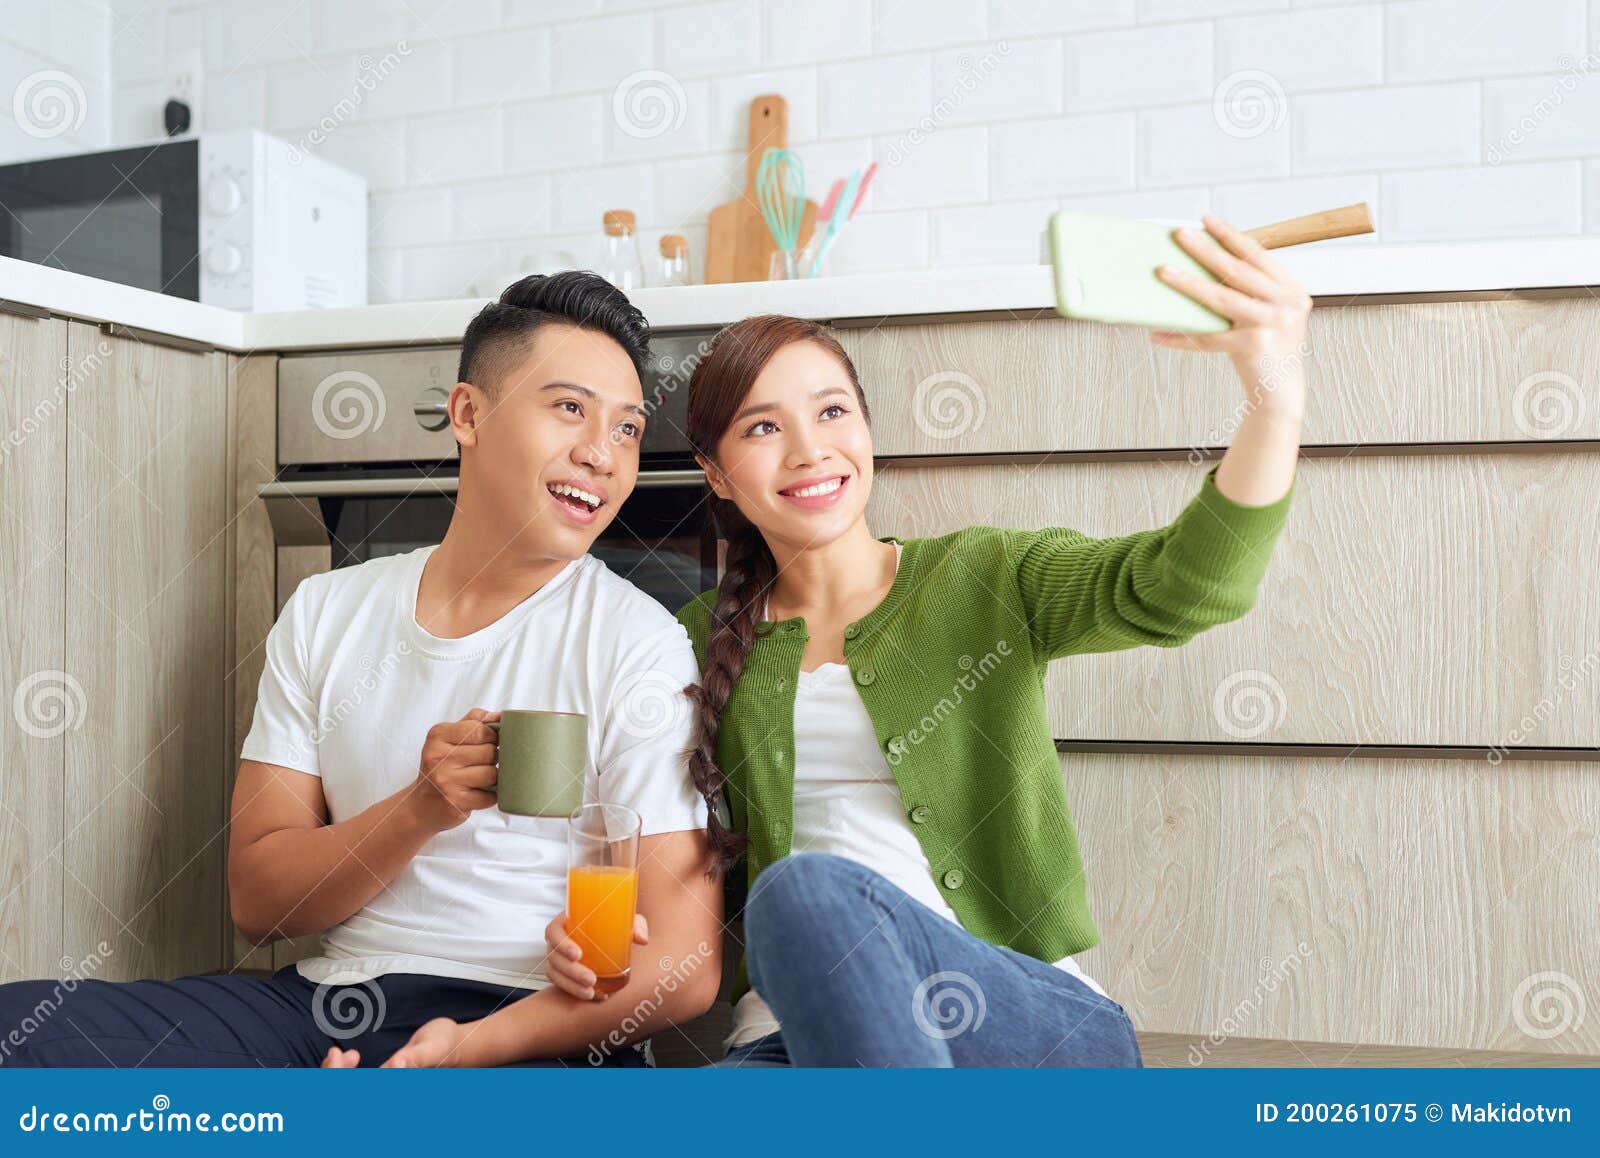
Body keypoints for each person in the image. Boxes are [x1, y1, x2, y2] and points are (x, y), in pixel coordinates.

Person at [541, 215, 1308, 1066]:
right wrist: (593, 938)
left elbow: (1187, 586)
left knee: (804, 893)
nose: (809, 449)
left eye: (832, 411)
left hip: (1028, 1029)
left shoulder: (983, 577)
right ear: (718, 473)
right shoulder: (686, 644)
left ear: (866, 432)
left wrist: (1274, 391)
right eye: (762, 428)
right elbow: (629, 835)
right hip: (796, 1041)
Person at [0, 271, 721, 1068]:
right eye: (569, 408)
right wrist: (419, 809)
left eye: (626, 429)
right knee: (21, 1031)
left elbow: (684, 970)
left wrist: (454, 1053)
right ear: (468, 414)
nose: (601, 453)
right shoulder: (326, 610)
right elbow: (260, 903)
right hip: (324, 1002)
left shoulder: (636, 642)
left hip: (532, 1026)